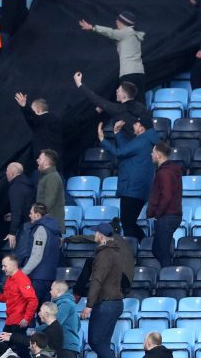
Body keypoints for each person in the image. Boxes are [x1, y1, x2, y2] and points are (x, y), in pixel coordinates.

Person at [98, 118, 158, 242]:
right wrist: (117, 133)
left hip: (132, 188)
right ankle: (145, 245)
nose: (133, 126)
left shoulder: (143, 140)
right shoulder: (145, 140)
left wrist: (102, 139)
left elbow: (119, 152)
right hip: (137, 188)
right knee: (129, 222)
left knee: (127, 224)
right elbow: (127, 151)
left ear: (142, 128)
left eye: (136, 124)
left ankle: (139, 249)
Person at [80, 223, 125, 358]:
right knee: (103, 343)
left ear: (100, 235)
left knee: (95, 341)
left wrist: (89, 305)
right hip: (114, 302)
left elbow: (97, 281)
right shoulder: (115, 252)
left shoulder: (104, 254)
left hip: (106, 303)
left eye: (95, 233)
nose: (94, 235)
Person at [79, 12, 145, 92]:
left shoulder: (127, 32)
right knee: (140, 99)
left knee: (128, 99)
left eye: (118, 20)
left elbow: (111, 32)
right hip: (139, 72)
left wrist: (93, 27)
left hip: (128, 73)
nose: (116, 21)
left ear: (124, 22)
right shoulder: (134, 34)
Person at [74, 72, 153, 134]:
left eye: (118, 90)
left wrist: (79, 84)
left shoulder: (119, 109)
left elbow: (96, 99)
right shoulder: (141, 107)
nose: (116, 91)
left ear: (124, 95)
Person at [147, 141, 183, 271]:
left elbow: (166, 196)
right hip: (170, 215)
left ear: (158, 154)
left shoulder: (164, 173)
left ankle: (169, 278)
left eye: (153, 152)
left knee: (162, 251)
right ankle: (169, 275)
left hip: (167, 216)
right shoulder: (170, 171)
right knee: (158, 249)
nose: (151, 154)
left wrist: (157, 214)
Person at [18, 203, 62, 305]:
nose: (29, 215)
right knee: (44, 311)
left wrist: (22, 273)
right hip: (49, 276)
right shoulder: (54, 228)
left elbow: (36, 256)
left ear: (37, 215)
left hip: (38, 277)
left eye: (31, 213)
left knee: (31, 309)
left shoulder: (41, 229)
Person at [41, 281, 80, 358]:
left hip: (66, 345)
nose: (50, 291)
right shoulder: (65, 303)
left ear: (58, 291)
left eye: (51, 288)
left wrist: (35, 331)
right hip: (63, 345)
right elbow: (78, 325)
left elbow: (54, 322)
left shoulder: (65, 304)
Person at [14, 94, 65, 159]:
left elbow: (32, 118)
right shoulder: (52, 119)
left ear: (38, 110)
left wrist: (25, 106)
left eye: (32, 110)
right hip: (52, 159)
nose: (32, 112)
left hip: (47, 161)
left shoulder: (44, 119)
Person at [4, 162, 36, 251]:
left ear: (12, 173)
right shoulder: (30, 185)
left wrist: (12, 232)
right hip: (32, 223)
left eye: (7, 171)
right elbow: (26, 206)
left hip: (24, 226)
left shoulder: (15, 188)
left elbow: (16, 210)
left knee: (19, 255)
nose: (6, 173)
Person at [36, 149, 65, 229]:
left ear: (46, 162)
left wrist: (37, 216)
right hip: (47, 224)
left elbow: (48, 202)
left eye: (40, 158)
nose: (37, 160)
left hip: (49, 226)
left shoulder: (52, 177)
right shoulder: (48, 176)